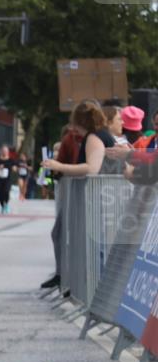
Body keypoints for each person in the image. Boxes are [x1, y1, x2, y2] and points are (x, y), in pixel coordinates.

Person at [41, 100, 115, 288]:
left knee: (95, 245)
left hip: (99, 198)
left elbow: (92, 168)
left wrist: (59, 166)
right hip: (101, 196)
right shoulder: (98, 135)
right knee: (94, 244)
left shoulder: (94, 138)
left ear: (80, 121)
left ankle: (97, 289)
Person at [0, 145, 17, 214]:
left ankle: (6, 204)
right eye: (3, 151)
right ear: (1, 152)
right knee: (1, 193)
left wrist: (14, 168)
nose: (4, 152)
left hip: (7, 179)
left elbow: (15, 168)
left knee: (6, 191)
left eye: (6, 151)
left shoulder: (11, 160)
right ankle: (2, 206)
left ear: (8, 152)